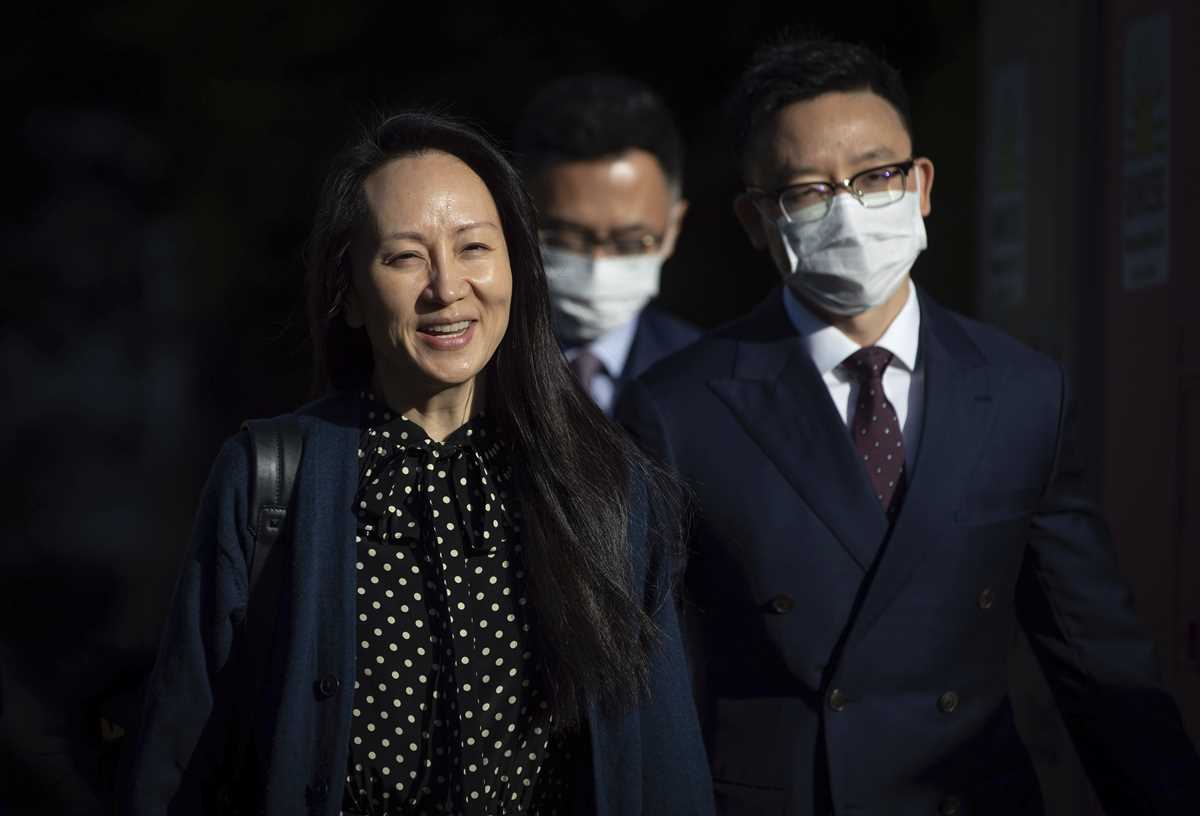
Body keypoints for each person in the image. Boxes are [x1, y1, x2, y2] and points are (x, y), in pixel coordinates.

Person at [615, 35, 1200, 816]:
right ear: (757, 219)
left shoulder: (1022, 392)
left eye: (876, 175)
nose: (849, 210)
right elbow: (650, 685)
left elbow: (1096, 652)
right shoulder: (678, 407)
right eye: (809, 191)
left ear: (920, 184)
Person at [120, 111, 714, 816]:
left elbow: (664, 765)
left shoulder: (601, 484)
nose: (446, 288)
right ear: (348, 293)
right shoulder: (271, 479)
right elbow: (180, 757)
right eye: (405, 258)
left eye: (474, 248)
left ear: (517, 268)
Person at [513, 75, 699, 415]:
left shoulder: (707, 374)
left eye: (629, 242)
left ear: (673, 228)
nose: (597, 264)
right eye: (565, 238)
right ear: (519, 219)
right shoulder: (471, 365)